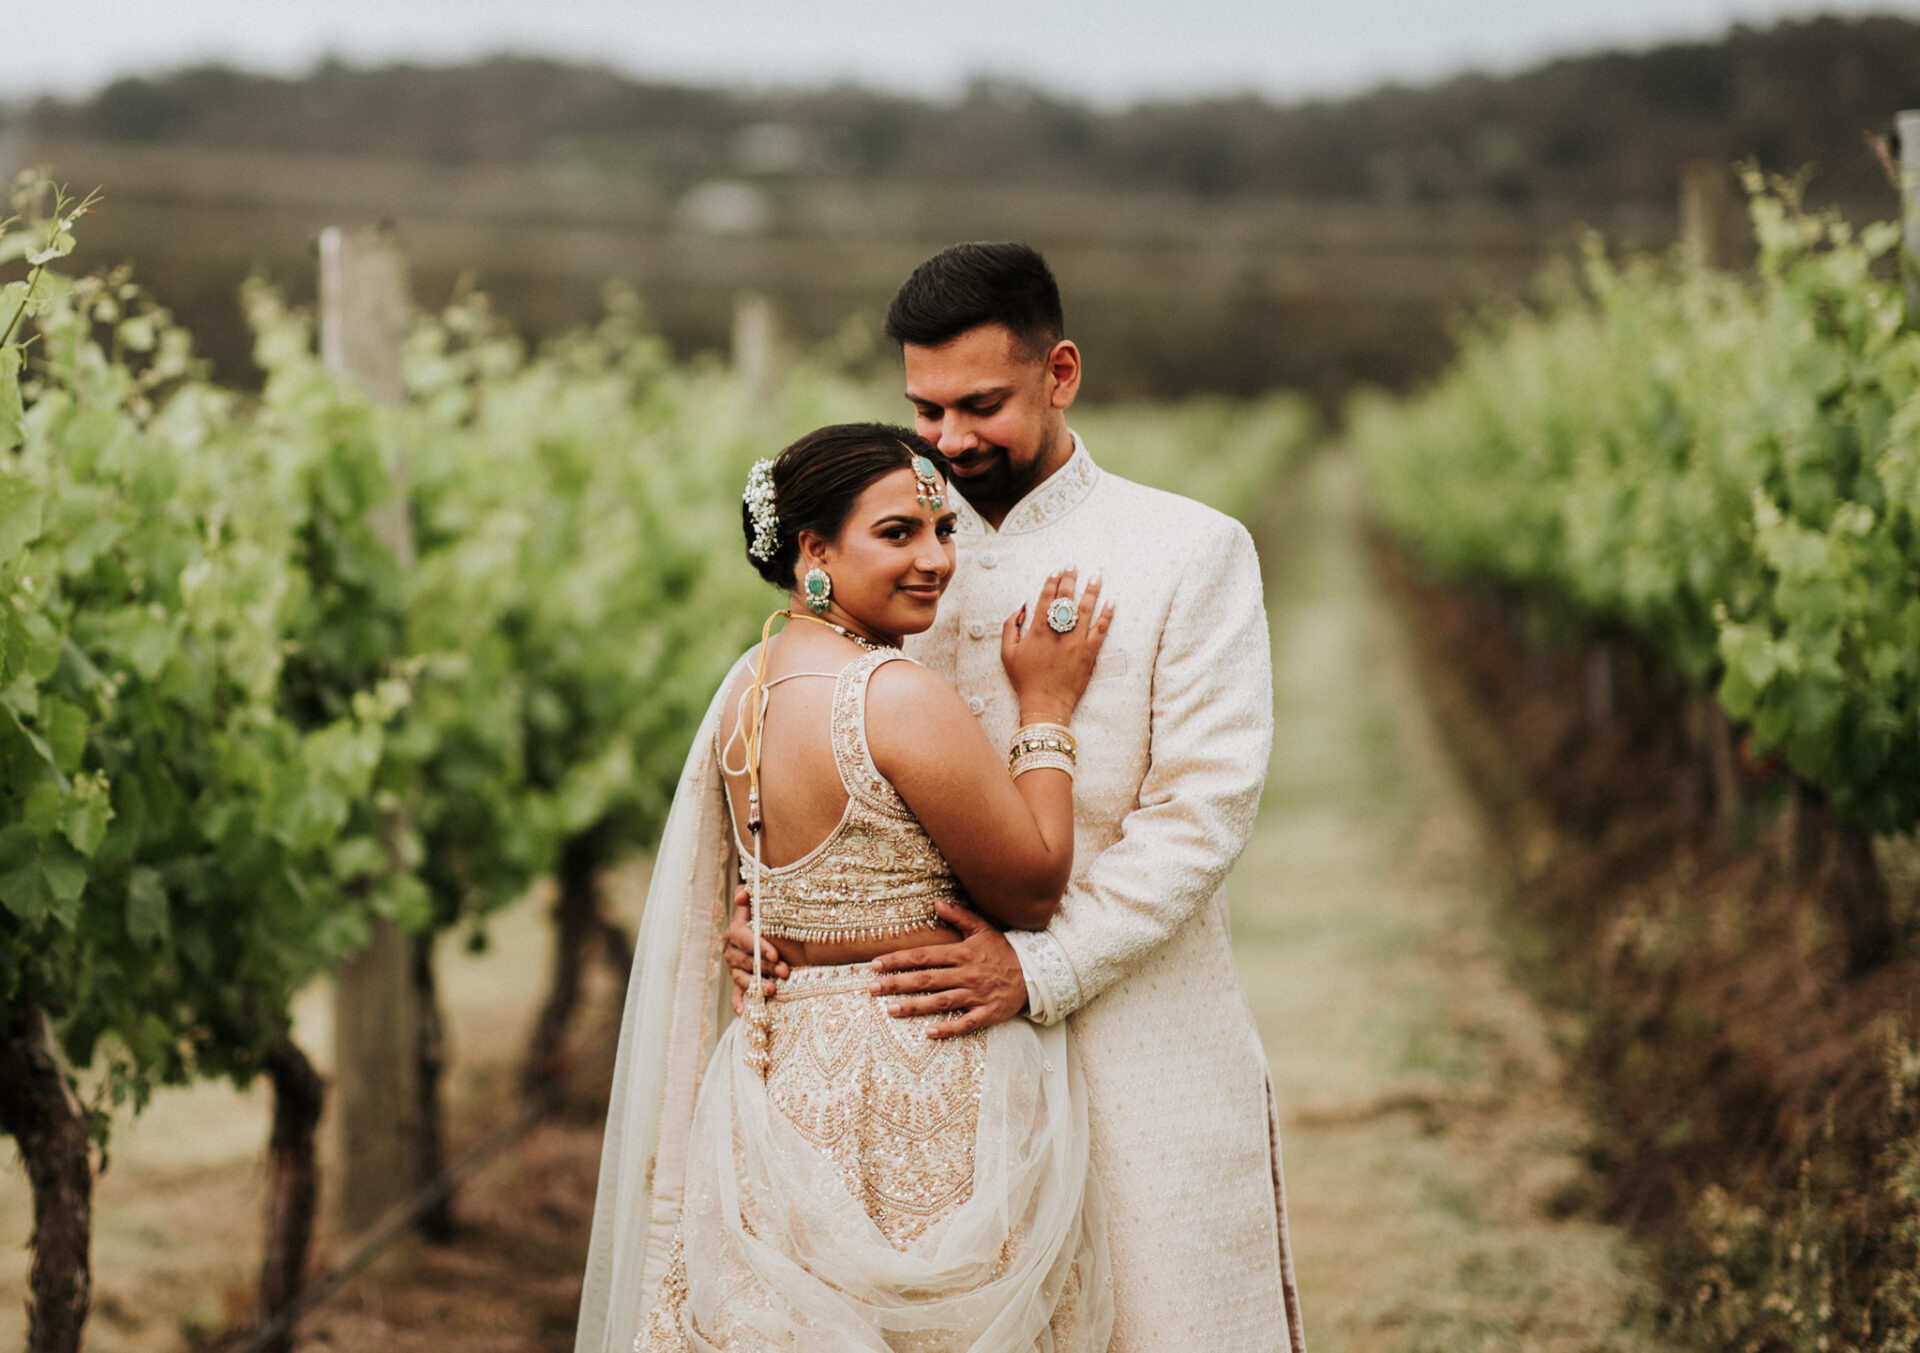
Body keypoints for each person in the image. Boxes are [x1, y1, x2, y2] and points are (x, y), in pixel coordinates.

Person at [724, 243, 1305, 1351]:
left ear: (1062, 374)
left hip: (1136, 1028)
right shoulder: (879, 556)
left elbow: (1202, 810)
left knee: (1168, 1319)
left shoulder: (1188, 552)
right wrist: (777, 906)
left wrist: (1042, 966)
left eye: (980, 405)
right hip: (919, 1063)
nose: (947, 442)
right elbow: (808, 749)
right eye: (926, 409)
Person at [576, 423, 1118, 1352]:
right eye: (898, 534)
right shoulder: (891, 695)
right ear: (814, 550)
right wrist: (1045, 711)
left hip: (783, 1074)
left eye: (942, 530)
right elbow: (1032, 886)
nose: (936, 560)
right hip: (917, 1064)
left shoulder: (750, 684)